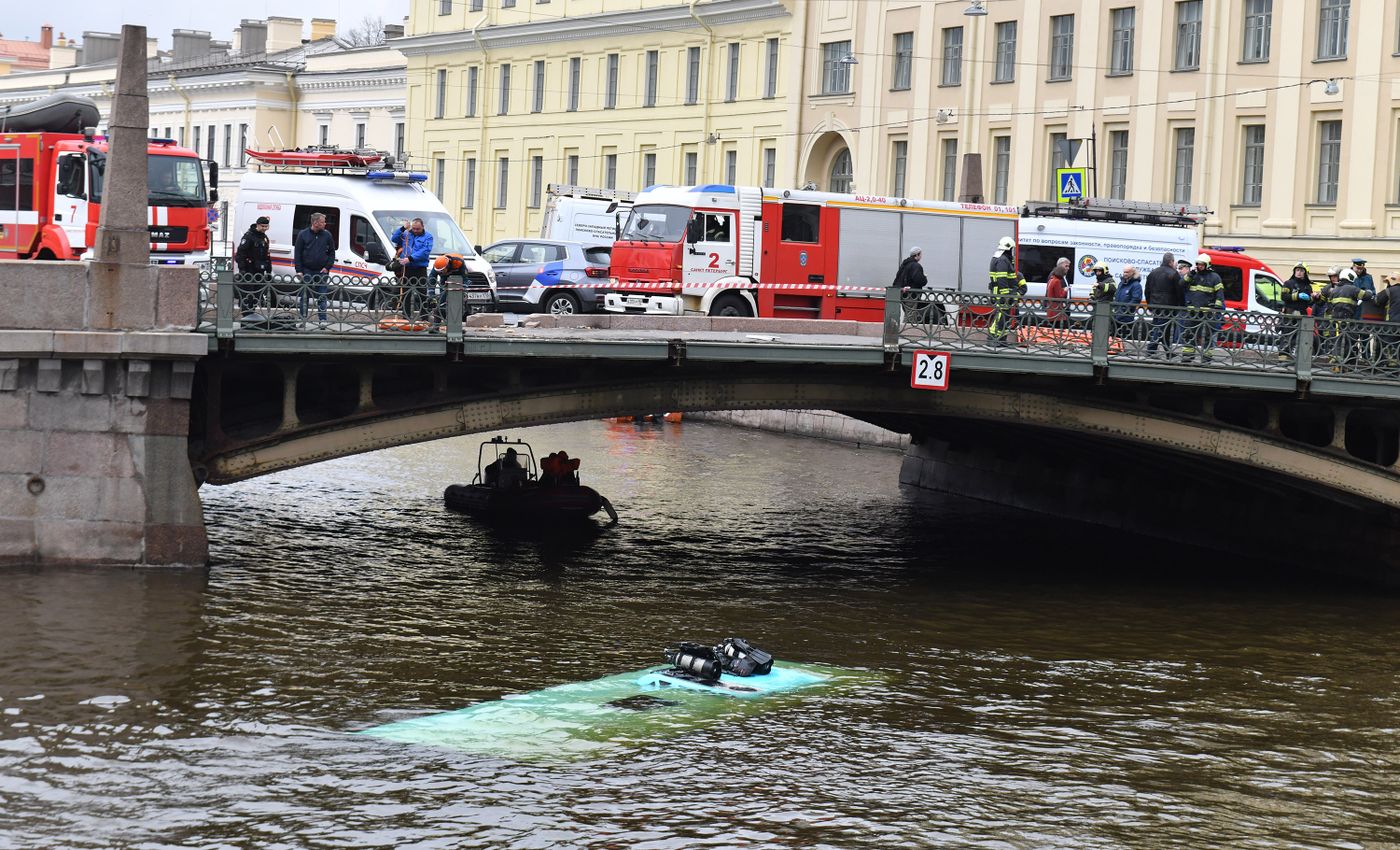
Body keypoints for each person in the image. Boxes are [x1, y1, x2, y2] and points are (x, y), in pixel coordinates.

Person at [1319, 268, 1371, 365]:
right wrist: (1369, 291)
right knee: (1347, 343)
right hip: (1347, 321)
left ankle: (1335, 362)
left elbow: (1328, 304)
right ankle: (1343, 364)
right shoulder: (1352, 289)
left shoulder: (1334, 290)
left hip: (1334, 322)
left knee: (1336, 342)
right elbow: (1366, 296)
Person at [293, 212, 336, 328]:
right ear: (315, 223)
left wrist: (327, 267)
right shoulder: (303, 235)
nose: (325, 224)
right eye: (323, 222)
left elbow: (332, 253)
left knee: (322, 295)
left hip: (321, 271)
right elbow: (297, 254)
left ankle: (322, 320)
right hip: (307, 270)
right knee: (305, 296)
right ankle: (302, 319)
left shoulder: (327, 235)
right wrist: (299, 270)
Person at [1181, 252, 1224, 362]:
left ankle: (1206, 358)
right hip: (1192, 312)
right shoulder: (1193, 275)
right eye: (1198, 264)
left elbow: (1220, 293)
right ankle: (1187, 357)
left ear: (1207, 265)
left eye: (1202, 264)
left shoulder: (1215, 277)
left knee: (1207, 336)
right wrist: (1190, 274)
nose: (1199, 266)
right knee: (1188, 334)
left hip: (1207, 313)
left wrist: (1217, 309)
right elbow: (1181, 284)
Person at [392, 218, 434, 321]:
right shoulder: (406, 233)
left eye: (418, 229)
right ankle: (406, 317)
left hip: (420, 268)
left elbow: (425, 251)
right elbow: (394, 238)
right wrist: (402, 228)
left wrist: (410, 258)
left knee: (422, 293)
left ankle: (424, 317)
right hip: (407, 268)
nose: (415, 230)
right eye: (414, 228)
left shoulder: (428, 237)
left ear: (422, 227)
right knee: (405, 293)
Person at [987, 236, 1026, 346]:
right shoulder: (1002, 260)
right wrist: (1006, 295)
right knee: (1001, 317)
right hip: (1002, 294)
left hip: (1001, 292)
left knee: (1003, 317)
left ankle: (1001, 339)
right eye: (1012, 249)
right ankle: (994, 339)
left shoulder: (999, 258)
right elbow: (1002, 279)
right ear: (1009, 248)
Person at [1145, 252, 1184, 357]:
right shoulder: (1174, 274)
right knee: (1161, 328)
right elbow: (1179, 291)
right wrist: (1181, 305)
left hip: (1155, 305)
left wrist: (1150, 304)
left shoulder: (1153, 272)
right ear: (1171, 261)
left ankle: (1167, 352)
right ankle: (1150, 350)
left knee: (1162, 328)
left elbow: (1147, 290)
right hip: (1168, 306)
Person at [1275, 262, 1315, 360]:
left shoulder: (1308, 287)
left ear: (1305, 273)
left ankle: (1299, 359)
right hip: (1289, 314)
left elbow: (1310, 303)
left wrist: (1312, 298)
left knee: (1302, 337)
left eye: (1301, 270)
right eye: (1297, 270)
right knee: (1286, 336)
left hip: (1302, 315)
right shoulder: (1288, 283)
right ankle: (1283, 358)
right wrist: (1297, 296)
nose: (1299, 272)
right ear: (1294, 272)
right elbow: (1283, 296)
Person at [234, 215, 272, 315]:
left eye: (266, 227)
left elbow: (267, 256)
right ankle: (246, 316)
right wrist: (242, 269)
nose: (264, 229)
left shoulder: (264, 238)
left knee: (257, 294)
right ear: (257, 225)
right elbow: (240, 254)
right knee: (247, 295)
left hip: (259, 271)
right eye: (262, 226)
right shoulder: (248, 236)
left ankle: (252, 314)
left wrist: (268, 271)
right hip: (248, 270)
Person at [1112, 265, 1143, 340]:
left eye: (1127, 272)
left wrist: (1124, 310)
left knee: (1124, 339)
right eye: (1124, 272)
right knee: (1115, 338)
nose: (1125, 274)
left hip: (1126, 318)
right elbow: (1116, 296)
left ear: (1132, 273)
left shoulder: (1136, 285)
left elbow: (1136, 300)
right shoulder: (1121, 284)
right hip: (1116, 316)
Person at [1045, 257, 1072, 328]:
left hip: (1061, 308)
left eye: (1068, 266)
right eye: (1066, 266)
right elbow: (1059, 295)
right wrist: (1065, 290)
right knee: (1060, 330)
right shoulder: (1056, 278)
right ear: (1060, 266)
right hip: (1058, 309)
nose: (1068, 268)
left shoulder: (1059, 277)